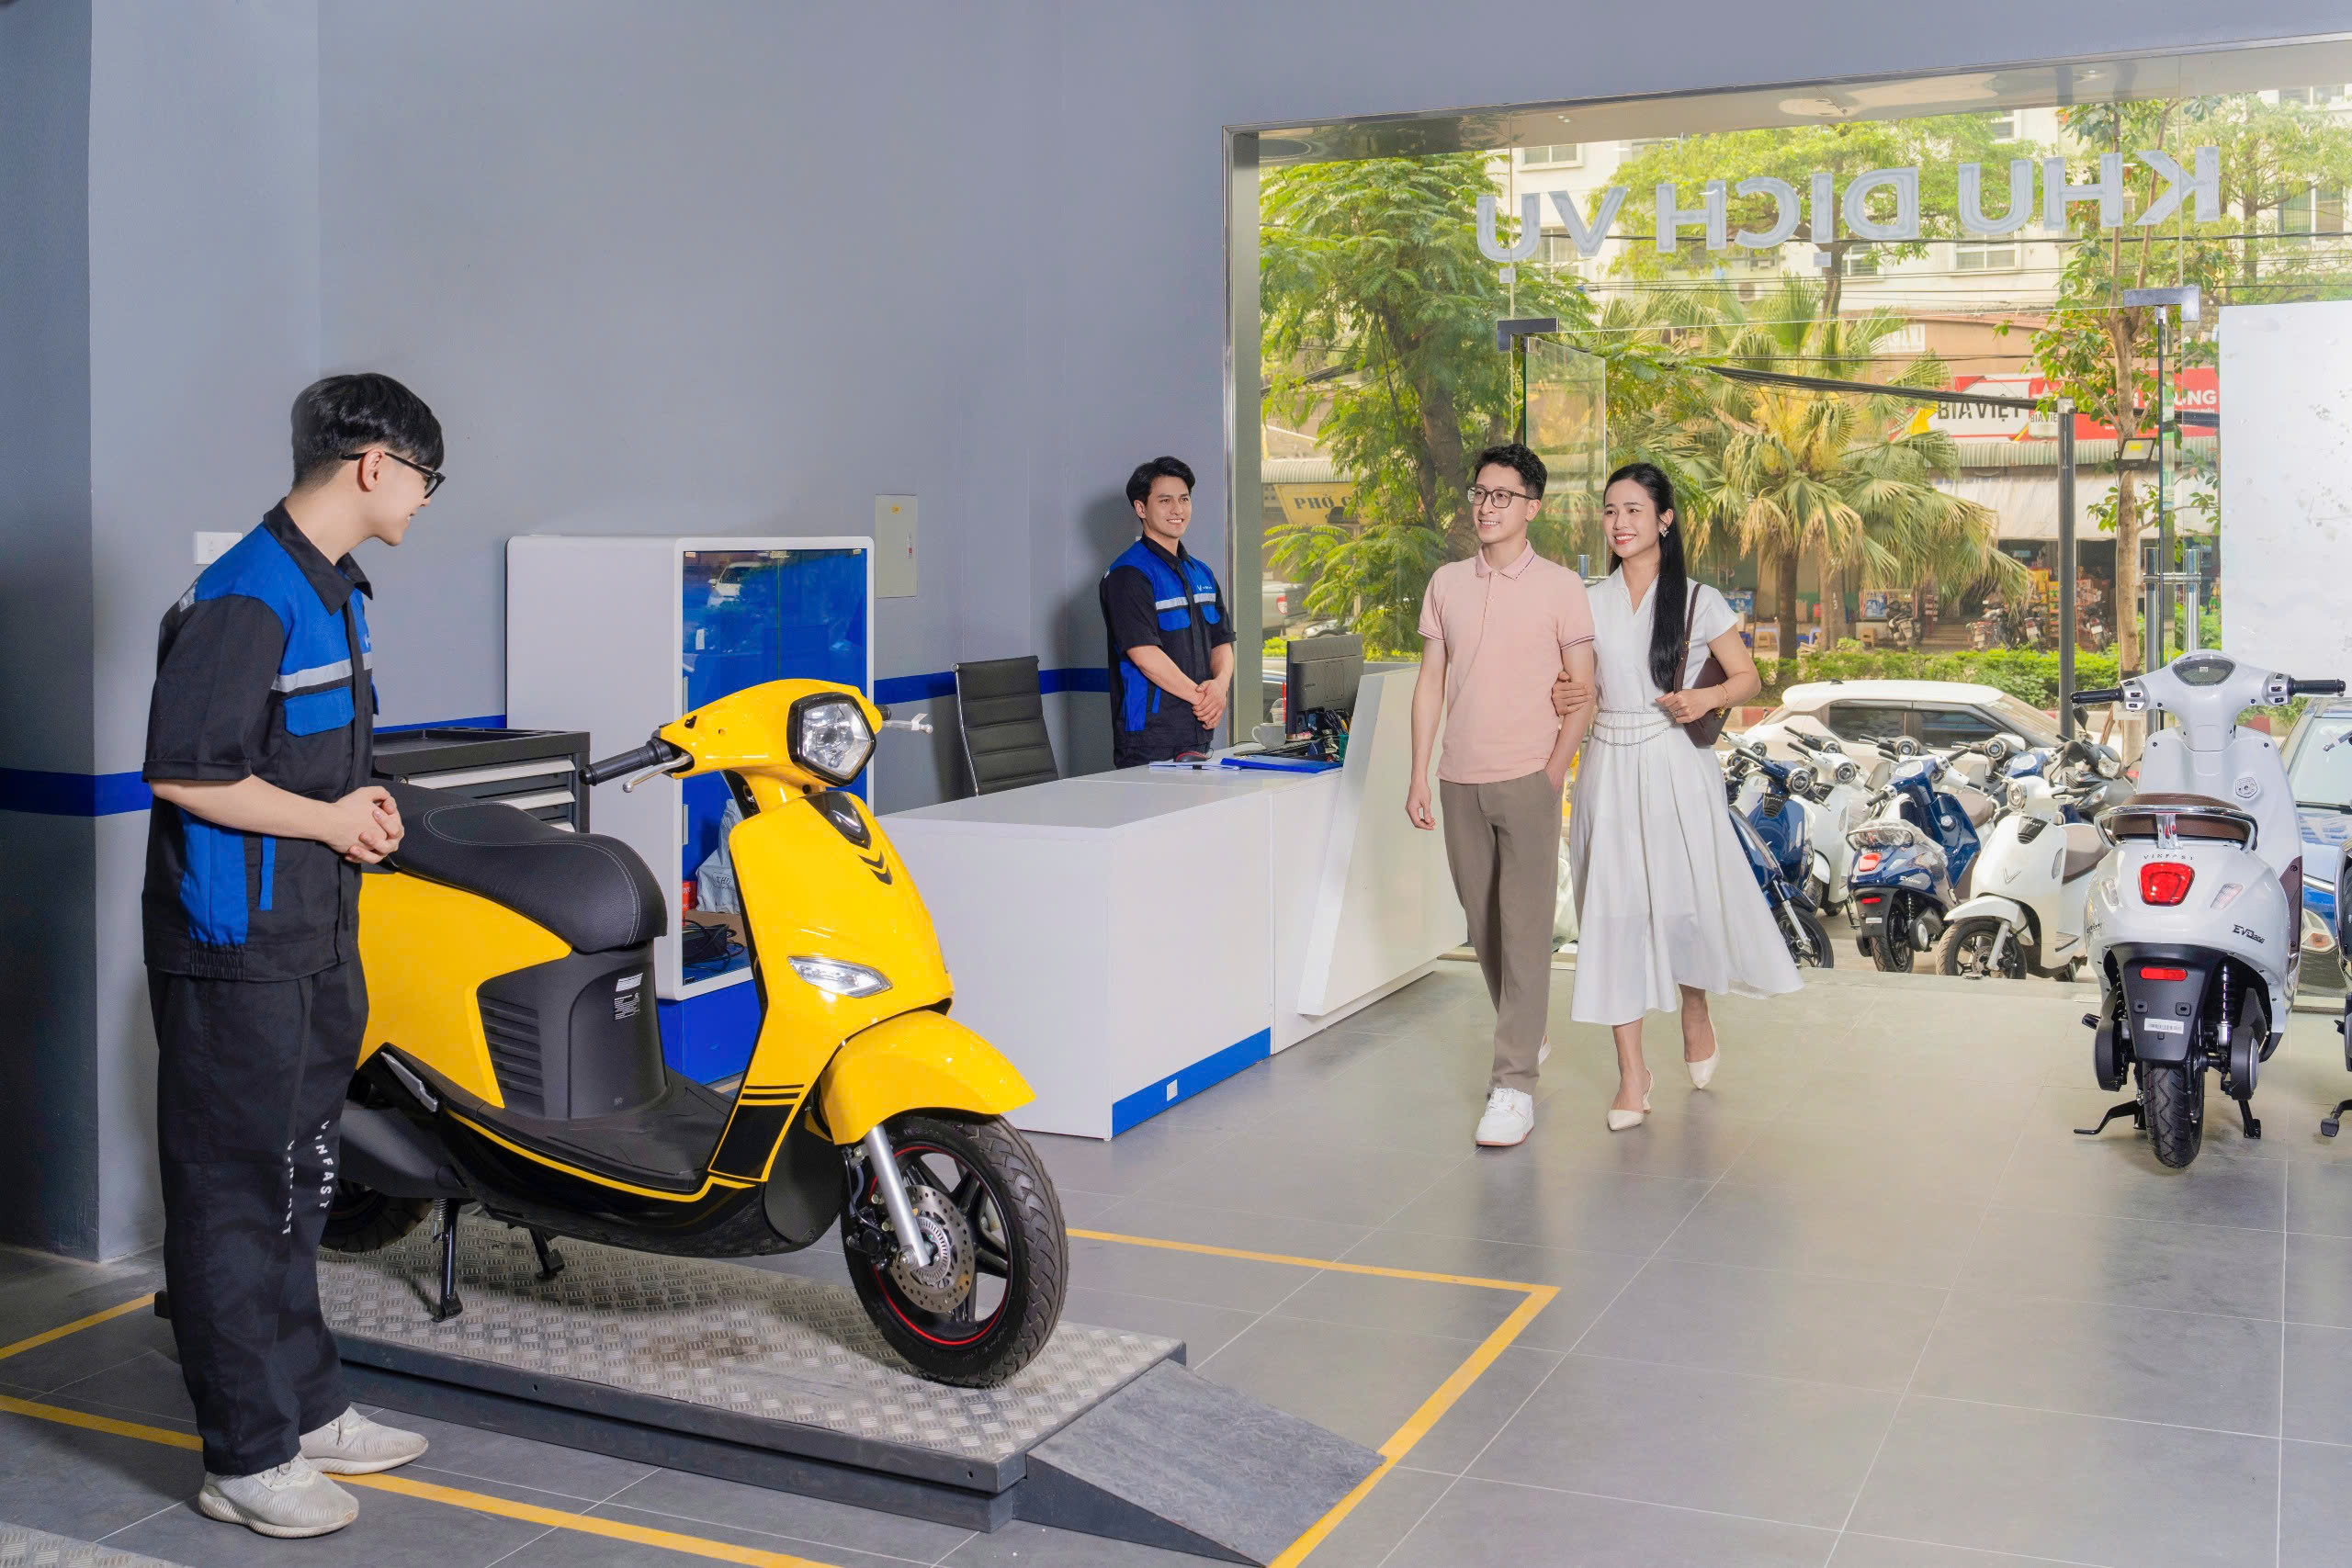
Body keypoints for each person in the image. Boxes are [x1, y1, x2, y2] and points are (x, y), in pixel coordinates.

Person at [141, 373, 445, 1538]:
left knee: (300, 1181)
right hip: (234, 953)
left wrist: (360, 812)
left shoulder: (338, 592)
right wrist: (328, 819)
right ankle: (246, 1457)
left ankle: (307, 1410)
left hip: (313, 937)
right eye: (424, 477)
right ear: (373, 465)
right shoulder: (246, 597)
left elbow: (311, 764)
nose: (425, 499)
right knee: (233, 1196)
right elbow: (186, 772)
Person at [1555, 462, 1799, 1131]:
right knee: (1612, 913)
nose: (1619, 522)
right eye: (1611, 510)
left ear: (1664, 520)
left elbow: (1747, 677)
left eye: (1634, 509)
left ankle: (1695, 1007)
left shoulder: (1698, 599)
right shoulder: (1588, 600)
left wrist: (1704, 696)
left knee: (1682, 905)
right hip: (1607, 762)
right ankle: (1632, 1074)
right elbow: (1582, 689)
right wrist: (1566, 697)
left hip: (1674, 762)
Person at [1407, 443, 1598, 1148]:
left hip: (1528, 779)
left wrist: (1553, 771)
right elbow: (1431, 681)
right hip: (1459, 778)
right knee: (1483, 924)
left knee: (1524, 928)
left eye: (1502, 496)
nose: (1486, 507)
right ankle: (1528, 1026)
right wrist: (1419, 770)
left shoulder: (1561, 587)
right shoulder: (1446, 583)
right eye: (1480, 493)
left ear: (1532, 507)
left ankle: (1514, 1084)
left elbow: (1584, 688)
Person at [1100, 456, 1236, 766]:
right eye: (1165, 501)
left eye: (1184, 499)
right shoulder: (1129, 574)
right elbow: (1144, 655)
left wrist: (1220, 687)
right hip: (1149, 738)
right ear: (1141, 508)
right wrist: (1204, 699)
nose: (1177, 509)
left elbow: (1222, 642)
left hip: (1198, 730)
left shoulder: (1200, 572)